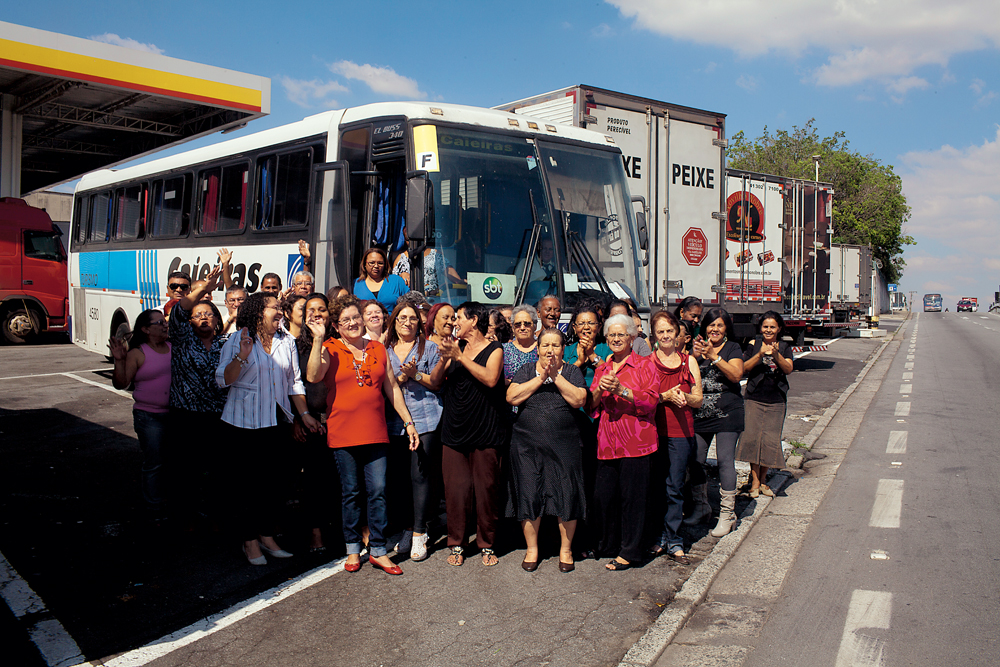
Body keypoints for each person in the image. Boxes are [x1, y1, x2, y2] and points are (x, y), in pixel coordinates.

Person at [305, 295, 420, 575]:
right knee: (351, 493)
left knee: (378, 491)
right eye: (346, 320)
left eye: (356, 317)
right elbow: (312, 376)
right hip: (342, 433)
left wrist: (408, 422)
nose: (353, 323)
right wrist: (318, 339)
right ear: (336, 325)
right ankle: (353, 549)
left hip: (376, 432)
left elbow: (392, 387)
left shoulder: (378, 349)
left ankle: (378, 550)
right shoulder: (330, 348)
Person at [216, 292, 320, 566]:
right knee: (245, 487)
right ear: (259, 311)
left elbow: (294, 381)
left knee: (273, 486)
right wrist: (242, 357)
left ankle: (266, 535)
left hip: (275, 424)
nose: (281, 313)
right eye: (275, 307)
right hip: (242, 425)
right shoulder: (239, 339)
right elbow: (222, 381)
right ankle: (249, 540)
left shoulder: (286, 339)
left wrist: (305, 414)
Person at [506, 328, 588, 573]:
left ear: (563, 349)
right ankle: (532, 549)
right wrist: (542, 377)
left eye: (555, 345)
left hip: (564, 446)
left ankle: (566, 550)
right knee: (530, 494)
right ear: (538, 349)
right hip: (527, 445)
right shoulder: (527, 370)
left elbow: (579, 400)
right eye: (545, 345)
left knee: (566, 494)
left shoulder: (572, 371)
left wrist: (556, 376)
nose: (550, 350)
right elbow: (512, 397)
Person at [437, 302, 508, 567]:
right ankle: (456, 542)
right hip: (454, 430)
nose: (454, 322)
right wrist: (445, 358)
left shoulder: (494, 349)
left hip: (486, 430)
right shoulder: (456, 349)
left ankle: (486, 544)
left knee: (486, 490)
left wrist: (460, 357)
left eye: (458, 318)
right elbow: (435, 381)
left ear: (474, 320)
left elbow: (490, 379)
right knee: (457, 491)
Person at [586, 313, 659, 571]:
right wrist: (599, 389)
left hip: (636, 442)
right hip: (607, 441)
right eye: (612, 335)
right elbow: (591, 405)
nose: (616, 339)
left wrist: (622, 391)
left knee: (633, 499)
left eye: (621, 335)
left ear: (632, 338)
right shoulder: (603, 368)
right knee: (604, 497)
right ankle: (608, 544)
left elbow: (651, 401)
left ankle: (631, 551)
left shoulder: (644, 365)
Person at [166, 265, 230, 522]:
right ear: (190, 321)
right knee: (186, 471)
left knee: (216, 470)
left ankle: (214, 517)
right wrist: (204, 286)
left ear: (217, 321)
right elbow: (180, 309)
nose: (203, 318)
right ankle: (186, 518)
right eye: (198, 315)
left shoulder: (224, 345)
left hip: (217, 417)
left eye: (208, 315)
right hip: (186, 416)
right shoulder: (182, 338)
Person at [384, 302, 446, 562]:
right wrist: (399, 378)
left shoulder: (430, 348)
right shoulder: (384, 351)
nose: (407, 322)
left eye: (412, 319)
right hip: (394, 423)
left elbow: (437, 383)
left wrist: (415, 375)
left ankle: (420, 532)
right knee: (399, 481)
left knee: (420, 477)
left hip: (426, 420)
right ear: (394, 322)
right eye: (402, 318)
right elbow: (383, 388)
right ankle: (408, 528)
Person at [648, 311, 703, 564]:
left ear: (678, 334)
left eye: (670, 330)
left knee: (676, 486)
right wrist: (664, 397)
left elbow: (698, 399)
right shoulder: (647, 362)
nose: (666, 335)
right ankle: (658, 537)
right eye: (661, 331)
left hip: (681, 432)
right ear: (654, 335)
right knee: (657, 486)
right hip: (653, 431)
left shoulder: (688, 361)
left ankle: (675, 539)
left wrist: (685, 398)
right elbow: (644, 398)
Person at [109, 309, 171, 517]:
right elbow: (121, 383)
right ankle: (154, 508)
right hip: (149, 417)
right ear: (145, 329)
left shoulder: (173, 347)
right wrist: (119, 360)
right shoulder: (138, 353)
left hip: (174, 414)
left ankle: (169, 501)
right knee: (154, 462)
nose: (164, 325)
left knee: (173, 461)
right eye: (158, 323)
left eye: (165, 321)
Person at [691, 308, 745, 538]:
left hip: (728, 413)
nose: (714, 329)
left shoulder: (733, 348)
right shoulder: (696, 350)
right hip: (701, 414)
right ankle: (701, 506)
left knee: (724, 460)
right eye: (711, 325)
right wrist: (693, 357)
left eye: (719, 325)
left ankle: (727, 514)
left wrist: (714, 356)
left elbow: (736, 375)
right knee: (695, 460)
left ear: (726, 329)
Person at [293, 293, 338, 553]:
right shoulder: (293, 345)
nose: (317, 313)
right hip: (309, 423)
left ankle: (339, 529)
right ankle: (315, 533)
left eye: (322, 309)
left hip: (337, 421)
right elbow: (291, 385)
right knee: (312, 482)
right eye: (312, 309)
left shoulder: (338, 343)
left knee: (337, 480)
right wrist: (297, 419)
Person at [737, 312, 793, 498]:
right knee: (752, 439)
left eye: (772, 327)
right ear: (760, 328)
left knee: (770, 441)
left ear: (779, 329)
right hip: (754, 398)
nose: (768, 330)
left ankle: (763, 480)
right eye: (765, 326)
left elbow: (788, 369)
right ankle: (754, 481)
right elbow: (743, 368)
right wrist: (760, 354)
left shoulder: (784, 347)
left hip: (776, 400)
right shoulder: (753, 345)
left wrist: (776, 355)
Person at [354, 247, 409, 311]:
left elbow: (409, 303)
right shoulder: (356, 284)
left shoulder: (397, 281)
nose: (376, 266)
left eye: (380, 263)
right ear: (364, 264)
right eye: (372, 263)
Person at [503, 304, 539, 384]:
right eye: (518, 325)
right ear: (513, 328)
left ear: (535, 326)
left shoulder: (542, 348)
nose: (522, 328)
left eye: (527, 324)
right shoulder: (503, 349)